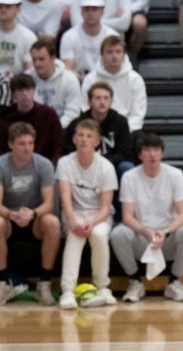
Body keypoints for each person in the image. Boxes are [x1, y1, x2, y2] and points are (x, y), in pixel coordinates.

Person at [109, 132, 183, 302]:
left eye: (156, 149)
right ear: (140, 154)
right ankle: (135, 281)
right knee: (118, 234)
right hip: (142, 239)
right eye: (147, 150)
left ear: (162, 153)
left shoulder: (175, 174)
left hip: (168, 238)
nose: (152, 154)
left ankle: (174, 282)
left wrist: (164, 232)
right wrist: (146, 231)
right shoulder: (129, 177)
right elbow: (127, 217)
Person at [55, 119, 118, 309]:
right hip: (73, 213)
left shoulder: (106, 167)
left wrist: (92, 223)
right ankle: (67, 291)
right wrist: (73, 221)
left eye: (89, 136)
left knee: (99, 234)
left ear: (97, 141)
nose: (84, 139)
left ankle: (102, 286)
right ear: (74, 139)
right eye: (80, 135)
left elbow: (106, 206)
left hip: (98, 215)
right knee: (75, 236)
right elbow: (65, 198)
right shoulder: (65, 163)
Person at [0, 122, 60, 305]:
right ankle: (2, 284)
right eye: (21, 144)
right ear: (11, 144)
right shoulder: (1, 164)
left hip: (35, 220)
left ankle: (44, 283)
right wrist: (11, 214)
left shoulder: (43, 164)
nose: (27, 148)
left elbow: (49, 203)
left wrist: (32, 214)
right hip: (10, 219)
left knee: (53, 222)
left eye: (30, 143)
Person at [80, 36, 146, 133]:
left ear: (124, 55)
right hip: (97, 130)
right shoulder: (90, 79)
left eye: (118, 52)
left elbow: (138, 114)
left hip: (128, 130)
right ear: (102, 55)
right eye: (109, 52)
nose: (114, 56)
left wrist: (123, 131)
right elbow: (85, 107)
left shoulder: (135, 79)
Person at [0, 73, 63, 163]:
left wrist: (50, 166)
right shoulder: (5, 117)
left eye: (28, 89)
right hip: (12, 168)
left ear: (34, 91)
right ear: (13, 94)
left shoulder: (48, 114)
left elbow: (58, 145)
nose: (25, 93)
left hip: (44, 166)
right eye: (20, 90)